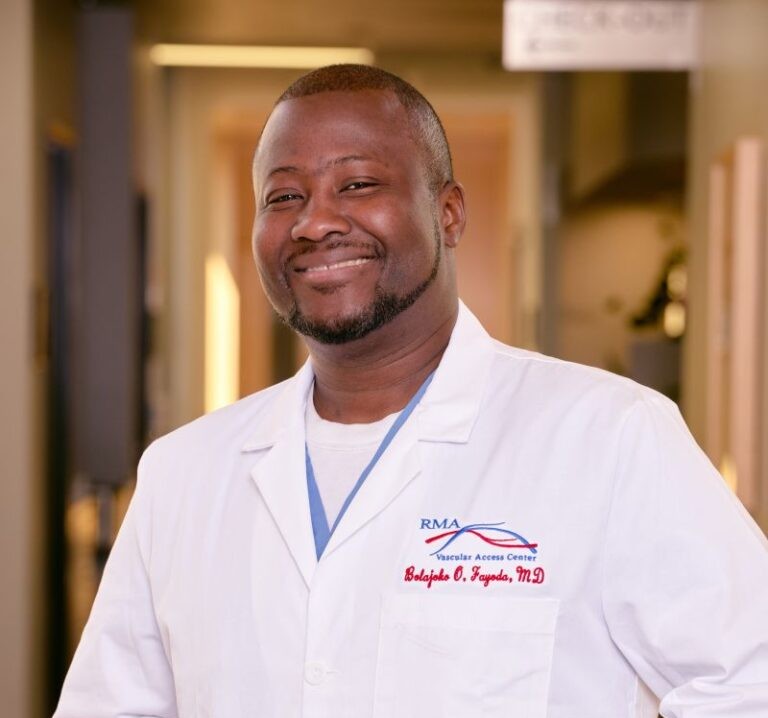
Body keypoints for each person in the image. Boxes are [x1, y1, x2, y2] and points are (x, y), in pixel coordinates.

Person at [55, 64, 768, 718]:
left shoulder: (610, 438)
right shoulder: (184, 473)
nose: (315, 222)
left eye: (357, 185)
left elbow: (749, 680)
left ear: (449, 213)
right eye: (284, 195)